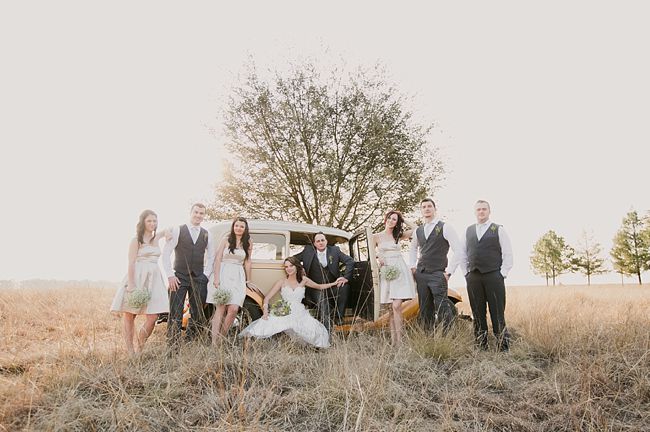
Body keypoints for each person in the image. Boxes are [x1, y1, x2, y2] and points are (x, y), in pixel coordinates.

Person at [240, 257, 345, 348]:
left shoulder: (304, 280)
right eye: (286, 267)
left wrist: (334, 283)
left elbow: (319, 286)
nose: (288, 269)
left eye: (291, 266)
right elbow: (267, 298)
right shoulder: (282, 282)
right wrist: (265, 313)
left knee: (315, 331)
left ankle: (305, 347)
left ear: (296, 267)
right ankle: (254, 345)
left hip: (299, 311)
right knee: (265, 325)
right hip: (285, 310)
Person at [111, 210, 170, 354]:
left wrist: (166, 232)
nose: (152, 224)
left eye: (155, 221)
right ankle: (131, 350)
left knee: (153, 316)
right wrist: (131, 284)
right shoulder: (136, 239)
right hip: (137, 276)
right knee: (130, 314)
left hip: (154, 279)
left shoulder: (156, 239)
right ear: (143, 222)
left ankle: (140, 345)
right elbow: (131, 262)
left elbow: (168, 231)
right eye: (149, 221)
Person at [162, 203, 215, 347]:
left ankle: (191, 342)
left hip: (199, 277)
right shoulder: (178, 230)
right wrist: (170, 275)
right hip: (178, 276)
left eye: (201, 213)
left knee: (198, 312)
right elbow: (166, 253)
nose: (198, 215)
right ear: (190, 212)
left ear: (204, 216)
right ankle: (173, 345)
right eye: (196, 212)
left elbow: (211, 256)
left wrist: (206, 275)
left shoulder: (207, 233)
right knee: (175, 311)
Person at [463, 200, 513, 351]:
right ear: (475, 212)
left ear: (489, 211)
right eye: (478, 209)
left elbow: (508, 253)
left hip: (494, 276)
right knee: (477, 312)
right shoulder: (469, 230)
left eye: (484, 209)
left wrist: (502, 274)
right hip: (474, 277)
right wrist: (466, 273)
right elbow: (462, 253)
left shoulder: (498, 229)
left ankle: (503, 347)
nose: (481, 212)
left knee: (497, 311)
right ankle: (481, 345)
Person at [409, 198, 465, 332]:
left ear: (435, 209)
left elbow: (458, 250)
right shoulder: (418, 230)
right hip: (421, 274)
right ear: (421, 210)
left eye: (429, 206)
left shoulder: (445, 227)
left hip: (438, 273)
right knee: (424, 307)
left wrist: (449, 272)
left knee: (442, 307)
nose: (427, 209)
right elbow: (413, 248)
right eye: (424, 207)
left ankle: (448, 337)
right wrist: (413, 267)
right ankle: (428, 336)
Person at [293, 231, 354, 332]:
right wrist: (300, 269)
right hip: (315, 288)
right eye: (318, 241)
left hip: (331, 286)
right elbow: (293, 260)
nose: (320, 242)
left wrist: (346, 277)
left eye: (322, 240)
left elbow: (350, 261)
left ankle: (339, 316)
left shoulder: (334, 250)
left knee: (344, 287)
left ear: (326, 241)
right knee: (323, 300)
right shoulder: (308, 251)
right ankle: (326, 328)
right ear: (314, 243)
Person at [373, 210, 417, 345]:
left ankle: (401, 340)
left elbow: (416, 229)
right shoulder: (376, 236)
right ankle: (394, 341)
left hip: (400, 271)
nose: (391, 221)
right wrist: (378, 258)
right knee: (392, 308)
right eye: (390, 218)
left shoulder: (398, 235)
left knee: (397, 305)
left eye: (394, 220)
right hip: (387, 272)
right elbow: (371, 253)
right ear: (385, 219)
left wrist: (403, 219)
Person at [207, 216, 252, 344]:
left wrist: (248, 281)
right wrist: (216, 278)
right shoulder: (226, 240)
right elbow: (217, 259)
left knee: (233, 309)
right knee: (220, 307)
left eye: (242, 226)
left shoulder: (248, 242)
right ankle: (215, 342)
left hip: (238, 275)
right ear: (233, 227)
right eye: (236, 225)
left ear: (245, 228)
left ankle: (222, 337)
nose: (239, 228)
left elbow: (248, 262)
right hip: (223, 273)